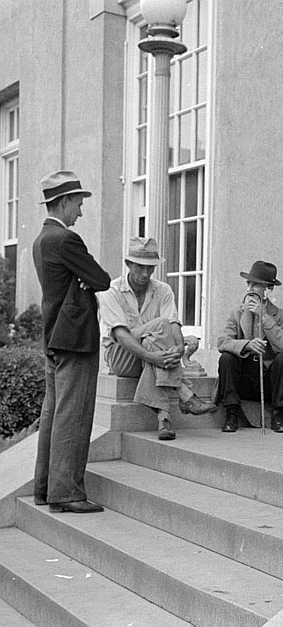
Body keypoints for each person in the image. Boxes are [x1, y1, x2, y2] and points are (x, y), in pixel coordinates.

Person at [32, 170, 111, 513]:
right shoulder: (66, 240)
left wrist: (82, 280)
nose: (80, 211)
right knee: (73, 416)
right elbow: (102, 279)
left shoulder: (41, 239)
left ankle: (46, 488)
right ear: (63, 202)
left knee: (53, 415)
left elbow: (84, 280)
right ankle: (67, 494)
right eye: (78, 204)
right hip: (74, 340)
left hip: (54, 337)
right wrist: (85, 280)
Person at [97, 237, 216, 441]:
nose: (146, 274)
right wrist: (153, 358)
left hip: (153, 356)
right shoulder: (111, 291)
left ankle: (164, 418)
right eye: (140, 267)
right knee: (159, 325)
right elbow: (122, 336)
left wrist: (178, 348)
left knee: (154, 338)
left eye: (150, 268)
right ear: (128, 264)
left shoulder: (163, 290)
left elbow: (174, 326)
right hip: (121, 358)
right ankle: (186, 395)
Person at [215, 261, 283, 433]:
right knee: (226, 358)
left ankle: (279, 414)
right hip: (244, 378)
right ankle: (231, 413)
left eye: (255, 284)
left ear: (267, 289)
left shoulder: (281, 316)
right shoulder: (237, 313)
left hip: (268, 381)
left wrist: (264, 317)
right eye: (248, 283)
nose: (249, 289)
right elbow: (222, 342)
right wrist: (246, 345)